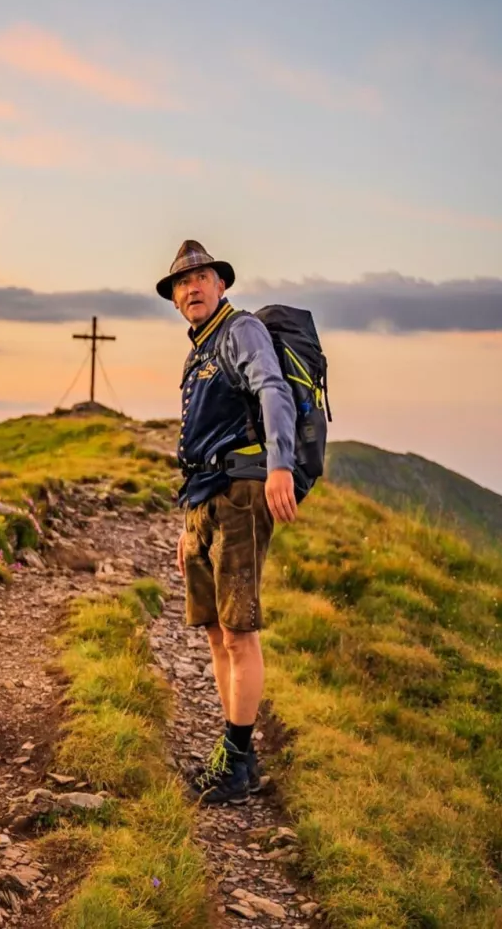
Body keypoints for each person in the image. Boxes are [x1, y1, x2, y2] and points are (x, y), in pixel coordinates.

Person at [160, 240, 299, 807]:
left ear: (221, 285)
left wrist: (281, 465)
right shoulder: (199, 352)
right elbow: (197, 440)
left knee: (239, 632)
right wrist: (187, 522)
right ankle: (235, 750)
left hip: (241, 494)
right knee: (217, 631)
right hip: (204, 499)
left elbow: (272, 387)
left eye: (202, 278)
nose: (192, 288)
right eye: (181, 284)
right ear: (174, 300)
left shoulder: (240, 330)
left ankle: (238, 763)